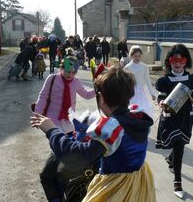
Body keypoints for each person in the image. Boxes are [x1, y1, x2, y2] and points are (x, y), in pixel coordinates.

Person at [31, 66, 157, 202]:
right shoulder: (137, 115)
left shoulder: (112, 127)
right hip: (138, 183)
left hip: (116, 189)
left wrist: (52, 130)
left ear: (101, 98)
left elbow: (77, 158)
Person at [34, 58, 95, 202]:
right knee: (58, 148)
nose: (70, 75)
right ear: (61, 68)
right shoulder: (52, 78)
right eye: (67, 71)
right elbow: (43, 96)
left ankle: (59, 180)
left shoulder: (76, 82)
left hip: (68, 122)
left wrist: (97, 89)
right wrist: (37, 115)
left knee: (61, 150)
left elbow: (86, 95)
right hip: (53, 120)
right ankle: (56, 180)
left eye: (73, 72)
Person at [155, 44, 193, 199]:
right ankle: (177, 183)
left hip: (186, 117)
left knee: (179, 145)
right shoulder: (165, 80)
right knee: (178, 146)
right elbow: (161, 96)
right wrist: (160, 102)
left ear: (186, 61)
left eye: (181, 60)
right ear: (169, 62)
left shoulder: (191, 79)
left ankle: (171, 158)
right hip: (171, 117)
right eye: (174, 60)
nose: (178, 63)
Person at [124, 45, 157, 119]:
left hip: (141, 92)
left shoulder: (144, 67)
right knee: (131, 109)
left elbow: (148, 81)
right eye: (135, 56)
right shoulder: (127, 67)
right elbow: (124, 82)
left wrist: (152, 93)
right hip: (130, 91)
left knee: (142, 108)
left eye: (139, 56)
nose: (137, 58)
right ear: (131, 56)